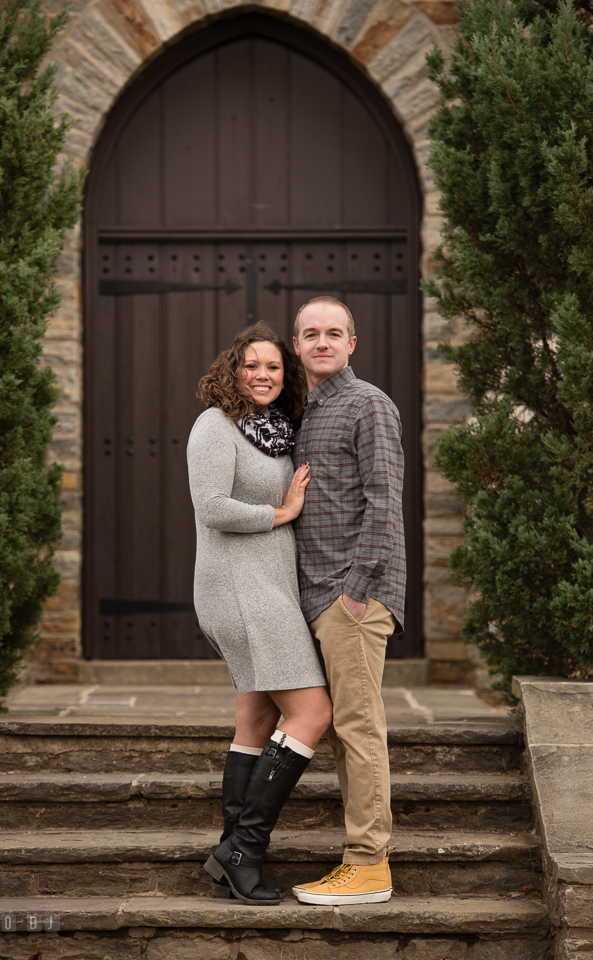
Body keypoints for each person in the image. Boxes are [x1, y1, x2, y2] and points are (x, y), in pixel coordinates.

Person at [187, 320, 332, 907]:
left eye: (274, 366)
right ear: (233, 370)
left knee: (254, 718)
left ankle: (229, 852)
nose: (263, 375)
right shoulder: (216, 425)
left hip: (268, 586)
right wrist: (282, 511)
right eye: (252, 365)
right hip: (239, 589)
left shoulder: (275, 430)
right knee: (311, 713)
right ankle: (245, 849)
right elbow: (213, 506)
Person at [290, 296, 406, 906]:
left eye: (335, 333)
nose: (323, 343)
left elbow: (384, 505)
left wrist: (356, 593)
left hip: (352, 597)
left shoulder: (369, 405)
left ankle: (368, 865)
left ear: (352, 343)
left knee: (359, 728)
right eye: (311, 334)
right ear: (298, 344)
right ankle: (363, 859)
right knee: (342, 729)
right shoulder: (303, 415)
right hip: (316, 596)